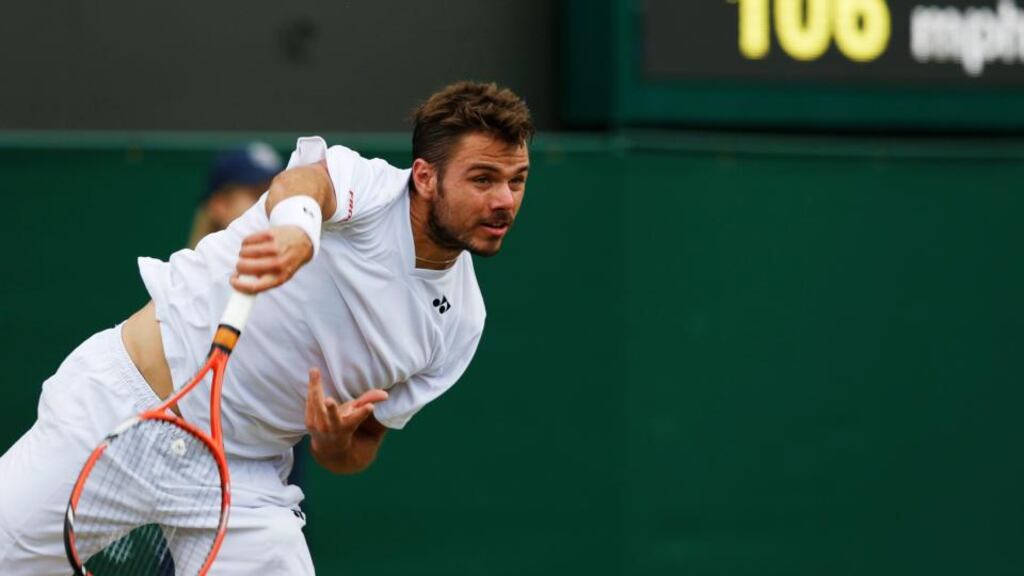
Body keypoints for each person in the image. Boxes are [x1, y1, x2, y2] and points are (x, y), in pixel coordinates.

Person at [0, 81, 533, 574]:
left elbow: (360, 447)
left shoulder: (461, 322)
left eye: (517, 180)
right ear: (424, 176)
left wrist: (332, 441)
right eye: (483, 179)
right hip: (121, 407)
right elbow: (305, 184)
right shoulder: (368, 189)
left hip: (242, 479)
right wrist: (298, 232)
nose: (505, 200)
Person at [188, 141, 284, 248]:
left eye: (278, 194)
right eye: (259, 194)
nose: (273, 203)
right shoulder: (184, 264)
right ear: (221, 205)